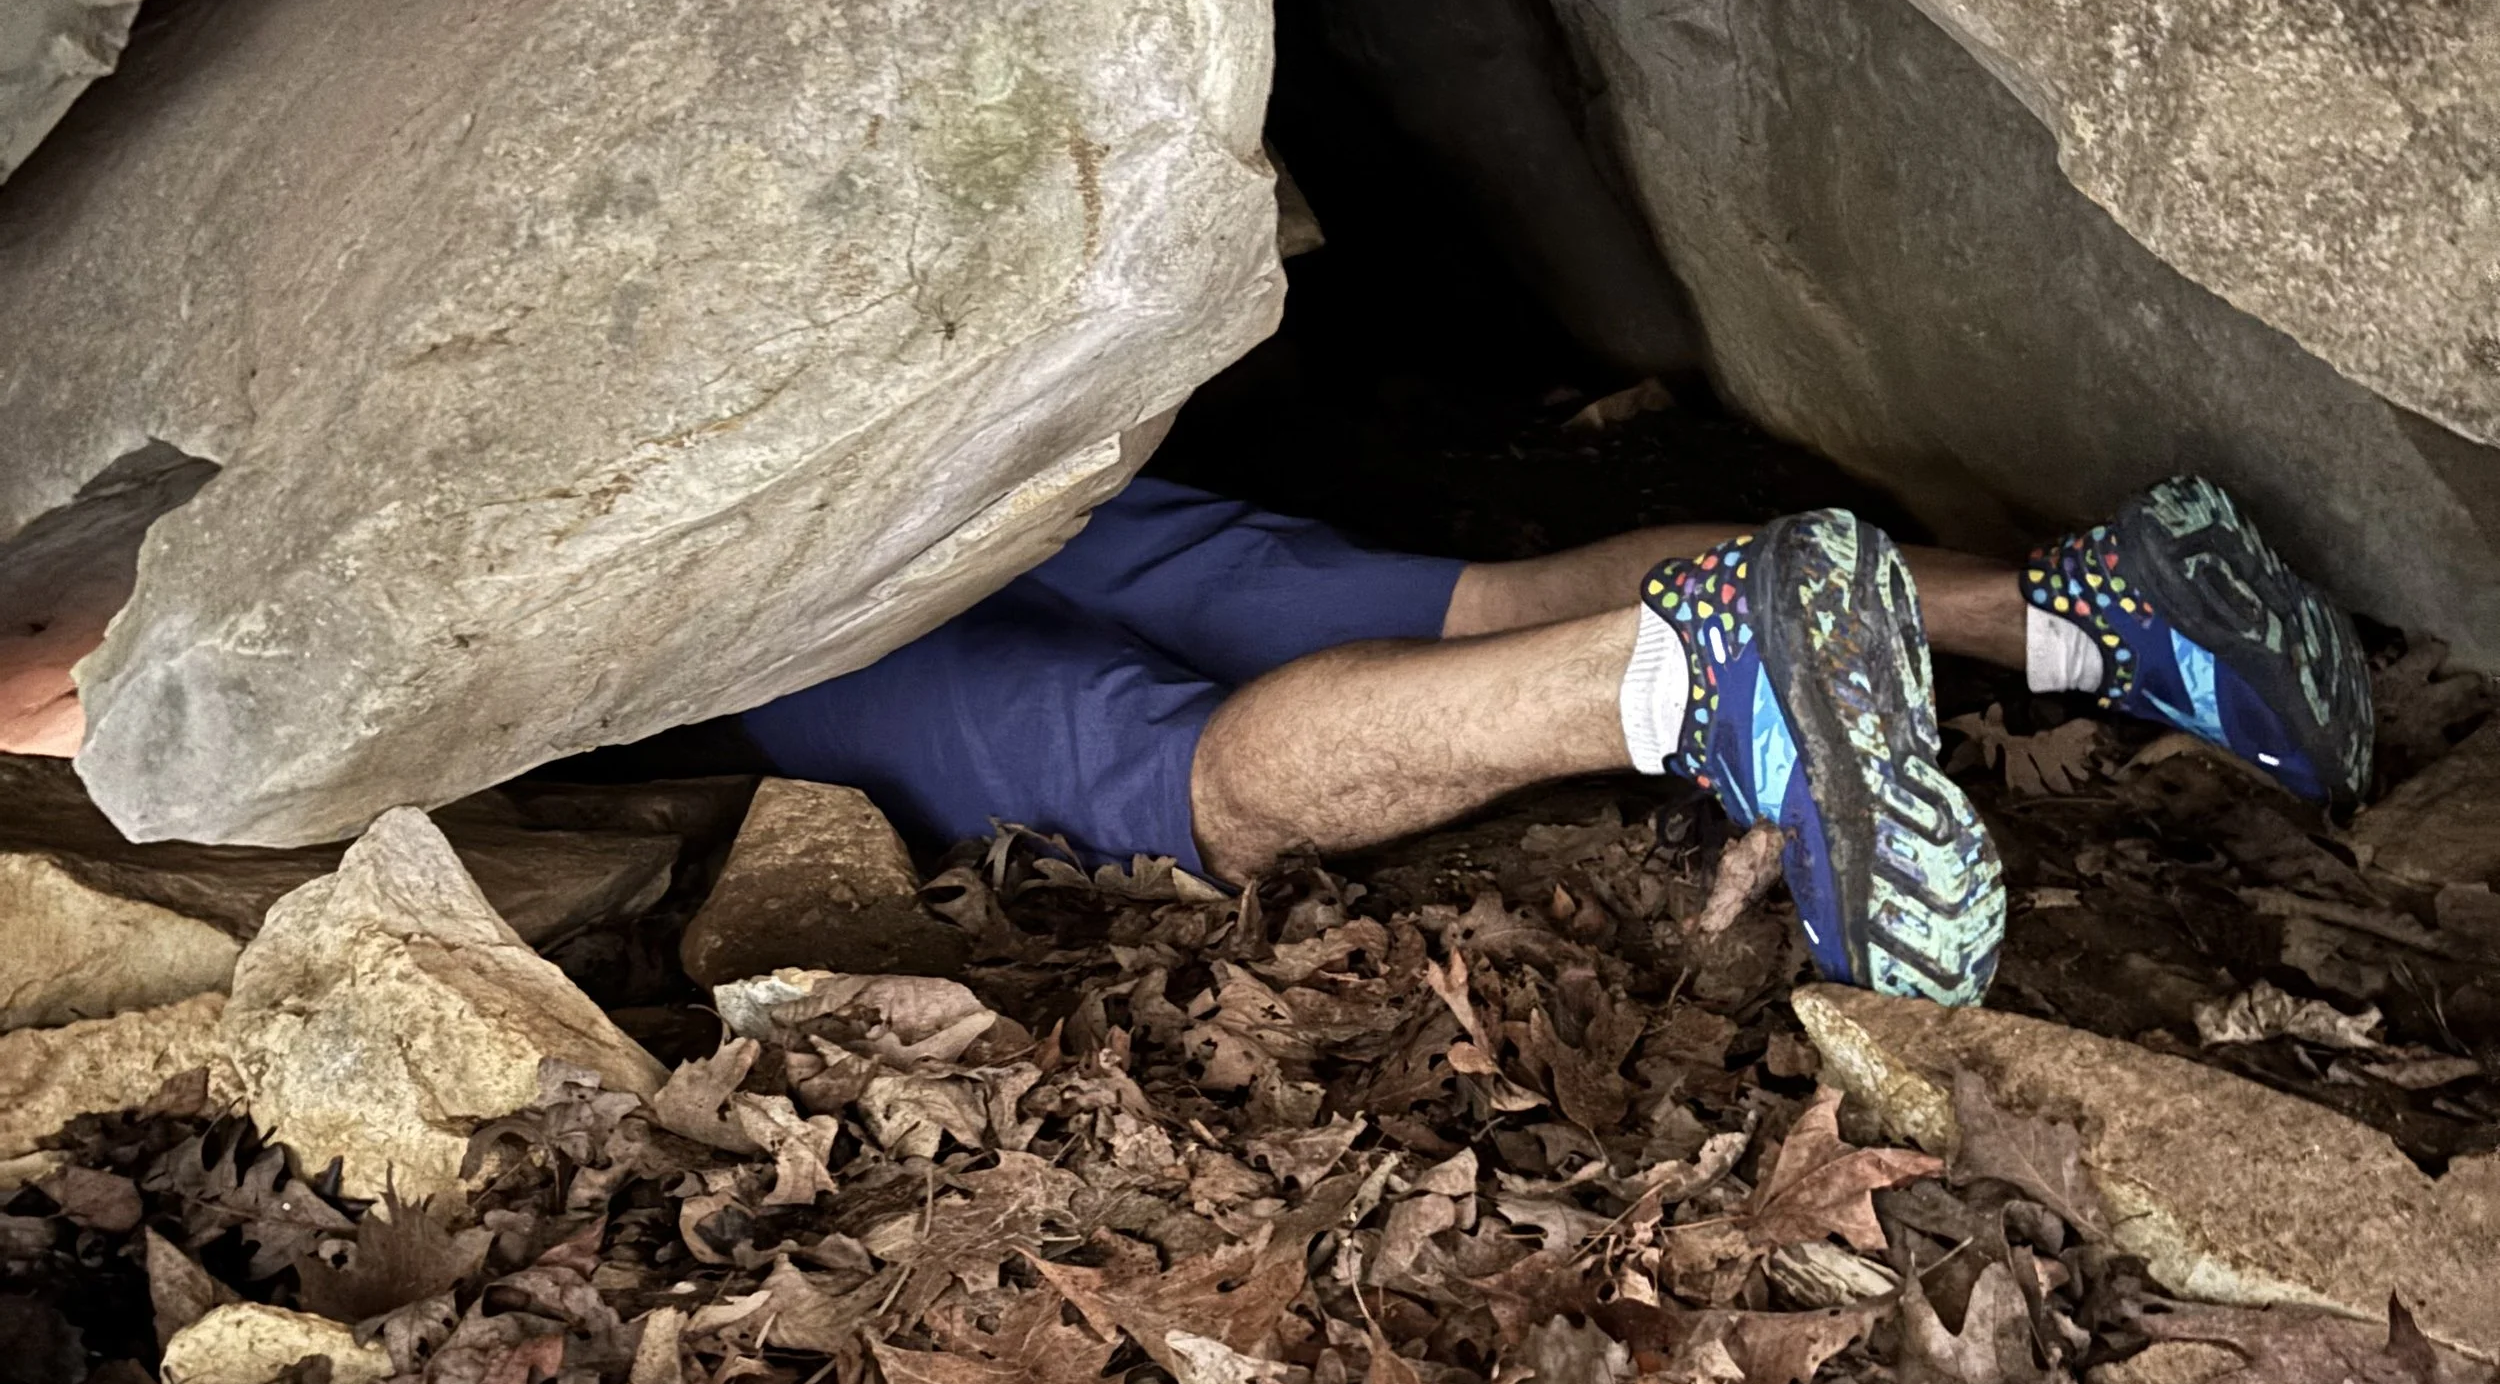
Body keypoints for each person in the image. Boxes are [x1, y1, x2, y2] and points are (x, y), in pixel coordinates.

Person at [747, 472, 2374, 1008]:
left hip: (734, 602)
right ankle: (2096, 614)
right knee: (1470, 598)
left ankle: (1687, 675)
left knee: (1183, 788)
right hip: (920, 443)